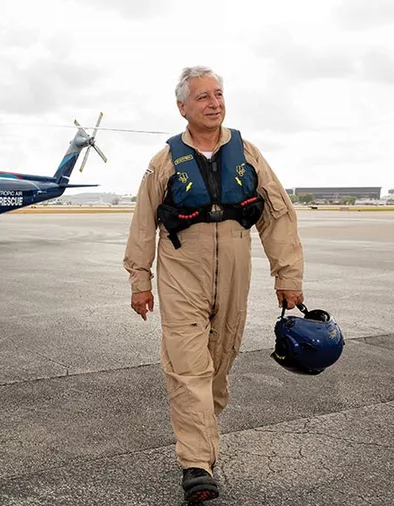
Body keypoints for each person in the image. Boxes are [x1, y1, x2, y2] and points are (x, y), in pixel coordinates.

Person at [123, 66, 304, 503]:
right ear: (182, 107)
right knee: (188, 368)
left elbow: (277, 216)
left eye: (218, 94)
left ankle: (202, 435)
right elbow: (143, 223)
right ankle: (197, 464)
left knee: (218, 366)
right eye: (202, 96)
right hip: (183, 267)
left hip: (236, 266)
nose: (213, 103)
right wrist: (139, 279)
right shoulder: (163, 161)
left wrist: (288, 275)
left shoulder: (249, 154)